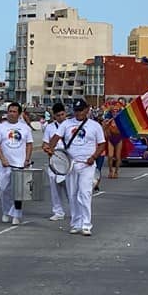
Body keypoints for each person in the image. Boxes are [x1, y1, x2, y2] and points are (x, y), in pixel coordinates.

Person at [46, 99, 105, 235]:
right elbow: (55, 139)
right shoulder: (66, 124)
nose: (78, 113)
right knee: (72, 195)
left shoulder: (95, 126)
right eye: (76, 111)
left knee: (84, 194)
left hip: (87, 165)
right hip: (70, 164)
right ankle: (76, 223)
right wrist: (50, 148)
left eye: (81, 110)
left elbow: (101, 144)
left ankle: (86, 225)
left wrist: (93, 157)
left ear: (87, 110)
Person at [0, 102, 34, 225]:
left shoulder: (25, 128)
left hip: (19, 164)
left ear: (19, 114)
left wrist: (27, 159)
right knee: (3, 189)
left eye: (14, 111)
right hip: (5, 164)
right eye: (10, 111)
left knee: (18, 191)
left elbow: (29, 144)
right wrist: (2, 158)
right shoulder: (1, 127)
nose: (11, 114)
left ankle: (16, 213)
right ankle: (6, 211)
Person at [42, 102, 69, 221]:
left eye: (62, 114)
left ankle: (75, 210)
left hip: (68, 160)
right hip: (54, 161)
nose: (61, 117)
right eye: (58, 115)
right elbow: (45, 143)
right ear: (54, 116)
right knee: (54, 188)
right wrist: (46, 149)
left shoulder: (71, 125)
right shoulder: (50, 127)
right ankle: (58, 212)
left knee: (70, 188)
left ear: (65, 113)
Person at [103, 106, 123, 179]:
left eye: (116, 111)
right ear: (111, 112)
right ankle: (110, 171)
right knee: (110, 156)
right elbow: (103, 129)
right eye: (113, 111)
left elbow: (123, 130)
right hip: (110, 139)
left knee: (118, 157)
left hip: (119, 139)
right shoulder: (108, 120)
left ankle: (116, 172)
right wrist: (106, 124)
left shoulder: (121, 120)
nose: (115, 112)